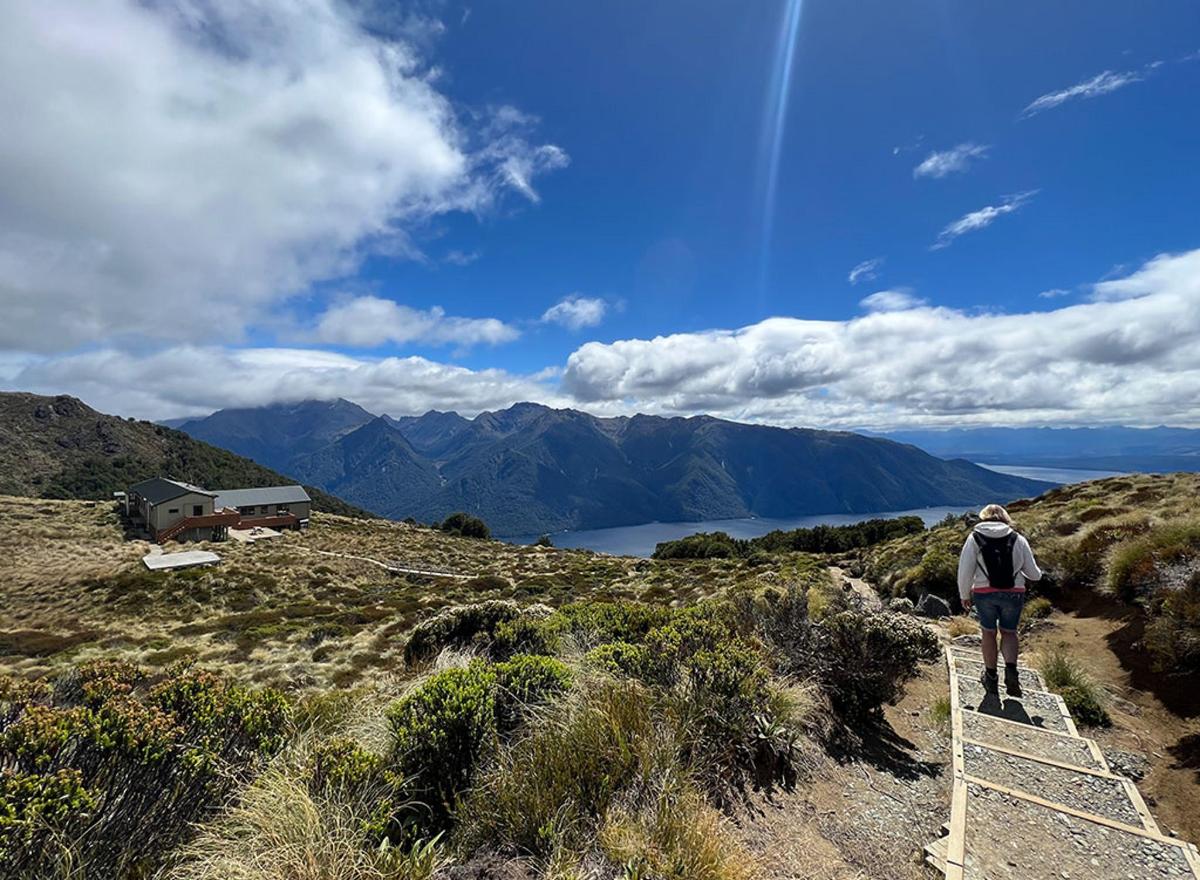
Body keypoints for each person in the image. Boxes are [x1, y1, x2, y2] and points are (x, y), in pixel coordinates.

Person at [957, 504, 1042, 696]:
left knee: (988, 633)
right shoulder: (1018, 539)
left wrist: (964, 595)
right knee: (1009, 632)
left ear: (983, 518)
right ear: (1005, 518)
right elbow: (1034, 575)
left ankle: (991, 678)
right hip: (1014, 593)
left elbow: (965, 571)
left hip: (984, 593)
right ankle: (1011, 673)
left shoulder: (974, 538)